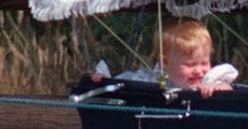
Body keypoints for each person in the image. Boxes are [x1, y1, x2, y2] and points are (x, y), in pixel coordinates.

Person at [93, 17, 237, 96]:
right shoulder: (155, 78)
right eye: (191, 65)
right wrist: (102, 79)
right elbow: (122, 82)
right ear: (165, 62)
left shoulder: (208, 79)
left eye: (204, 63)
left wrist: (216, 88)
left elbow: (228, 88)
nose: (199, 71)